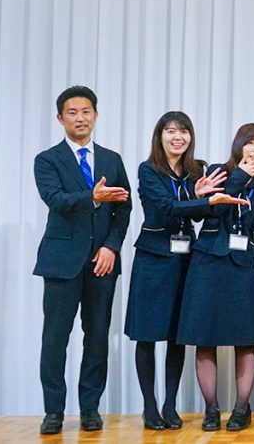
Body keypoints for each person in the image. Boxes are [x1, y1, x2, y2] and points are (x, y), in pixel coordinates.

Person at [124, 111, 242, 430]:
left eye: (184, 131)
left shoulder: (196, 170)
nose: (178, 137)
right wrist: (200, 198)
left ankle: (170, 405)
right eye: (171, 131)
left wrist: (202, 196)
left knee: (177, 335)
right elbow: (164, 208)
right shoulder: (148, 170)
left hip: (187, 258)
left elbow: (202, 215)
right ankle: (150, 407)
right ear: (159, 136)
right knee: (147, 335)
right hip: (153, 259)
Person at [33, 86, 131, 435]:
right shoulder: (48, 160)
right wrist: (93, 196)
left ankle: (90, 408)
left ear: (96, 115)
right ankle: (53, 411)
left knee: (98, 337)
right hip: (62, 261)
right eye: (72, 112)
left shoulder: (111, 159)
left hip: (102, 262)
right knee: (55, 338)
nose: (80, 118)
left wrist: (112, 247)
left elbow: (124, 209)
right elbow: (55, 199)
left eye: (86, 111)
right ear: (60, 118)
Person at [176, 123, 254, 432]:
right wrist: (240, 174)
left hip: (242, 264)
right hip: (208, 262)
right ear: (239, 146)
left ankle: (241, 408)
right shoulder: (219, 171)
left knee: (245, 338)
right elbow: (210, 211)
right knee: (205, 338)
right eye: (250, 142)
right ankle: (211, 409)